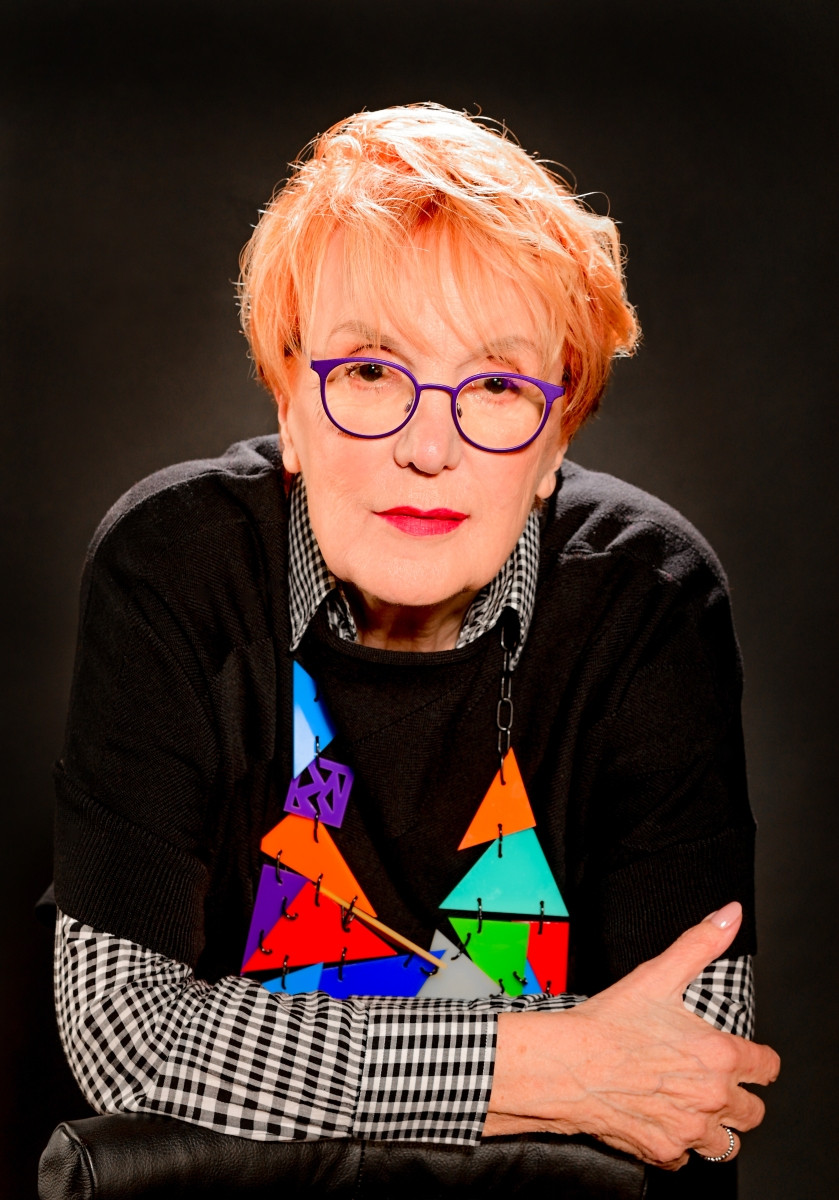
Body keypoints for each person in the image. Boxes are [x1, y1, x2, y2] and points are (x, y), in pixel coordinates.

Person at [52, 103, 779, 1179]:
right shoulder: (171, 567)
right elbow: (130, 1038)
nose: (428, 447)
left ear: (556, 435)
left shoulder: (650, 598)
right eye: (369, 372)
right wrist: (548, 1068)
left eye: (497, 385)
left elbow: (685, 1070)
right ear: (288, 401)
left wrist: (270, 1059)